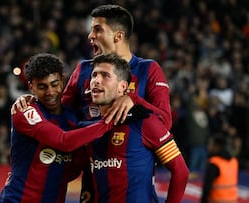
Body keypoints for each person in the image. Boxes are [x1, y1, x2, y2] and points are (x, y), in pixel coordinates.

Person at [11, 4, 173, 202]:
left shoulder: (148, 69)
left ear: (118, 36)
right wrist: (32, 100)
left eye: (97, 29)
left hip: (133, 178)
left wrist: (133, 99)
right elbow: (59, 112)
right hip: (93, 175)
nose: (90, 36)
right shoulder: (83, 70)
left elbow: (165, 121)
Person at [0, 53, 121, 203]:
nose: (50, 92)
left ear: (63, 81)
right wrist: (110, 121)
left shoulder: (73, 118)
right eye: (42, 87)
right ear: (31, 87)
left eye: (54, 84)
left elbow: (73, 169)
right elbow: (63, 141)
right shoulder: (25, 110)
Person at [87, 53, 188, 202]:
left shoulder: (145, 122)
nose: (96, 81)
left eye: (105, 76)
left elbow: (181, 171)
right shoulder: (87, 127)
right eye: (94, 75)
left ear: (123, 87)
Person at [201, 134, 238, 203]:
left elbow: (207, 187)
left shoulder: (214, 164)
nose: (209, 147)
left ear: (216, 146)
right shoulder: (234, 161)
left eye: (210, 144)